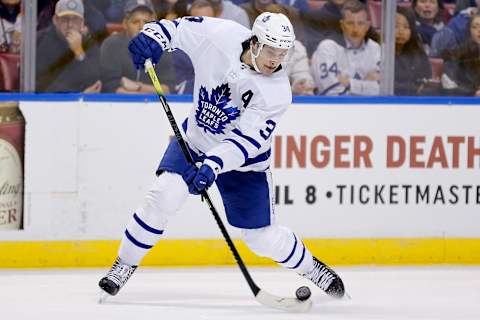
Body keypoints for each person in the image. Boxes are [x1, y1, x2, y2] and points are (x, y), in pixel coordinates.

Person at [98, 12, 345, 299]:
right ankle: (123, 265)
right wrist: (152, 38)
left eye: (283, 52)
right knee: (163, 195)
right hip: (195, 140)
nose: (276, 59)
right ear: (254, 42)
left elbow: (244, 142)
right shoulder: (219, 35)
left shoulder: (277, 93)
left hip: (244, 164)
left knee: (261, 238)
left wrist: (212, 165)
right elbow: (175, 29)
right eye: (271, 50)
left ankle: (311, 268)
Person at [100, 0, 176, 93]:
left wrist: (138, 87)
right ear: (125, 24)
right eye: (135, 22)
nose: (141, 27)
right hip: (116, 105)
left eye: (146, 22)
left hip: (155, 105)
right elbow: (109, 87)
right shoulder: (111, 45)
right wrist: (140, 96)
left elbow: (168, 89)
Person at [311, 0, 380, 95]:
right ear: (342, 25)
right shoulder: (327, 48)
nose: (355, 29)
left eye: (360, 23)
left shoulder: (375, 49)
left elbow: (381, 89)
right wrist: (366, 86)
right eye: (350, 23)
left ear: (367, 26)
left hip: (370, 109)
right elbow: (331, 91)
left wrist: (350, 84)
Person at [36, 0, 102, 93]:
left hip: (83, 104)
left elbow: (95, 80)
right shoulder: (41, 40)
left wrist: (79, 53)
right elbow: (43, 83)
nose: (70, 24)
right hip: (48, 103)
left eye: (75, 19)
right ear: (55, 20)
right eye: (65, 19)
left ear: (82, 22)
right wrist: (78, 95)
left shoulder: (89, 42)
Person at [395, 6, 432, 95]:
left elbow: (426, 81)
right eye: (396, 26)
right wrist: (413, 88)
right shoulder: (378, 51)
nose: (401, 31)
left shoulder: (418, 52)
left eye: (406, 27)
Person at [441, 12, 480, 96]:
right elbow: (449, 85)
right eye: (475, 27)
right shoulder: (455, 54)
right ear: (469, 32)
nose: (479, 30)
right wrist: (473, 93)